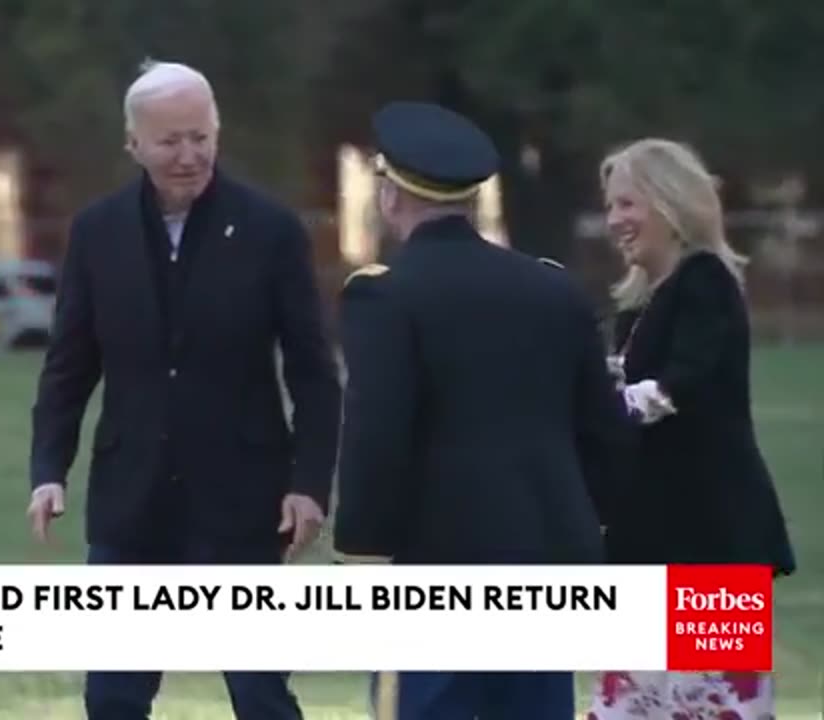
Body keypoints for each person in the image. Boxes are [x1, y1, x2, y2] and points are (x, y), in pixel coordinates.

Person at [26, 59, 342, 720]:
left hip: (243, 500)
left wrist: (309, 483)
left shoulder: (270, 230)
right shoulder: (97, 232)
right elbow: (69, 363)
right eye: (170, 141)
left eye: (201, 136)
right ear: (134, 145)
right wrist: (49, 469)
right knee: (113, 694)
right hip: (132, 498)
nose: (188, 155)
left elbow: (312, 371)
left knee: (259, 692)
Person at [331, 101, 633, 720]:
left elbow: (376, 436)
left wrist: (361, 553)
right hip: (547, 562)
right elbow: (604, 435)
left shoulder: (385, 293)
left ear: (390, 195)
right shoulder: (553, 288)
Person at [587, 138, 796, 719]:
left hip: (707, 539)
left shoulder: (704, 280)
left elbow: (678, 387)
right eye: (609, 207)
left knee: (709, 705)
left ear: (670, 202)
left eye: (627, 204)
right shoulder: (638, 305)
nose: (614, 221)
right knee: (636, 705)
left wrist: (597, 408)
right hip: (645, 540)